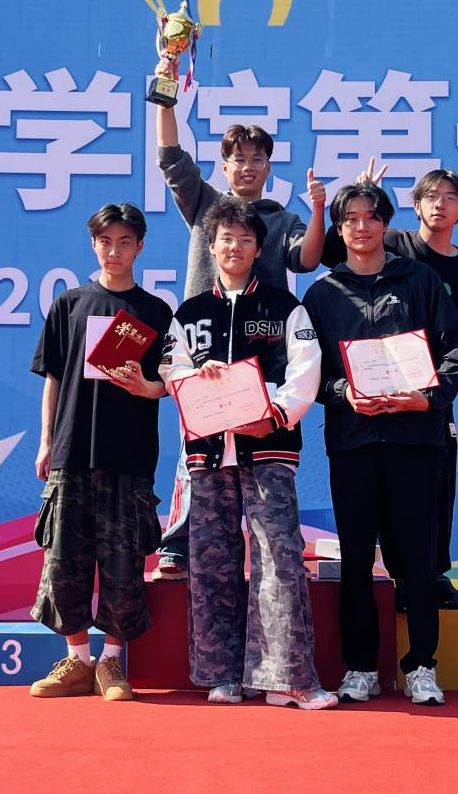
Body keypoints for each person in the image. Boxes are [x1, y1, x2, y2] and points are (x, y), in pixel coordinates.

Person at [159, 197, 337, 710]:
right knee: (211, 561)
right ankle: (221, 674)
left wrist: (275, 414)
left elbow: (306, 367)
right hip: (208, 454)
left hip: (269, 448)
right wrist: (197, 376)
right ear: (210, 248)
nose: (234, 247)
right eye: (226, 239)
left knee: (279, 559)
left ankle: (286, 678)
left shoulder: (285, 308)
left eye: (245, 239)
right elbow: (172, 370)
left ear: (260, 249)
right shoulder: (190, 314)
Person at [303, 182, 458, 706]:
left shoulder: (421, 280)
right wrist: (343, 393)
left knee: (416, 559)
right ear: (339, 228)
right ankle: (360, 667)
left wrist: (428, 399)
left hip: (415, 440)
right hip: (353, 443)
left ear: (385, 223)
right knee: (355, 559)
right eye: (350, 218)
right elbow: (309, 373)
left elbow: (453, 350)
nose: (362, 226)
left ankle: (421, 666)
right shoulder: (322, 295)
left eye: (371, 216)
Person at [320, 160, 458, 611]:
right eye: (430, 196)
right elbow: (336, 253)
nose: (439, 204)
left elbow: (456, 332)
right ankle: (400, 579)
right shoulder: (394, 242)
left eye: (449, 198)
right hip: (369, 395)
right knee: (376, 496)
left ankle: (430, 574)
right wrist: (362, 197)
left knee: (436, 485)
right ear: (415, 206)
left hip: (424, 395)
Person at [152, 101, 327, 579]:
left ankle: (273, 554)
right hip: (206, 352)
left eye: (257, 159)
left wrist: (317, 210)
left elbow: (307, 260)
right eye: (238, 159)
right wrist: (165, 97)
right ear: (224, 165)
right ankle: (177, 543)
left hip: (261, 357)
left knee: (262, 466)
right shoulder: (205, 204)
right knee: (197, 452)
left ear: (268, 167)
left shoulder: (282, 219)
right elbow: (171, 157)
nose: (247, 167)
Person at [29, 202, 174, 701]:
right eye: (105, 242)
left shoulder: (155, 312)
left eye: (124, 242)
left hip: (129, 455)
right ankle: (77, 660)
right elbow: (52, 377)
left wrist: (147, 388)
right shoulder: (69, 304)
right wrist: (47, 440)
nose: (114, 251)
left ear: (140, 246)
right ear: (93, 245)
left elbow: (173, 381)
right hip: (72, 450)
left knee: (122, 564)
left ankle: (111, 662)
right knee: (63, 562)